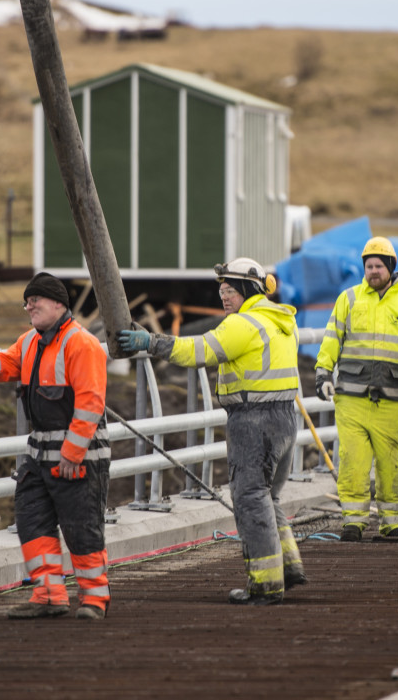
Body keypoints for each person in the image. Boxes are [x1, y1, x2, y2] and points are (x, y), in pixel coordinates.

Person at [117, 257, 306, 606]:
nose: (223, 297)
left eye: (230, 290)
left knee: (251, 498)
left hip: (253, 420)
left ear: (248, 290)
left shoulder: (243, 325)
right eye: (221, 290)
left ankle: (266, 585)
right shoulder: (282, 321)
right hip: (284, 417)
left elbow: (198, 351)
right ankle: (289, 568)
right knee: (269, 497)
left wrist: (150, 342)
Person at [0, 272, 111, 620]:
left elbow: (91, 404)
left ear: (58, 304)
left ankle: (94, 599)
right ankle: (49, 594)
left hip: (77, 456)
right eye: (27, 301)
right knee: (31, 520)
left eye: (35, 300)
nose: (28, 305)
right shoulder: (29, 342)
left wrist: (72, 453)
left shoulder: (82, 344)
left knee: (82, 527)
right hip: (39, 454)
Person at [314, 236, 398, 541]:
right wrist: (323, 373)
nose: (373, 271)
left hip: (390, 400)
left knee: (389, 463)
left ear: (391, 268)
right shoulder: (349, 299)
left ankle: (392, 523)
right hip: (350, 398)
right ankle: (353, 522)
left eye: (378, 266)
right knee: (353, 461)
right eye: (368, 266)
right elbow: (332, 338)